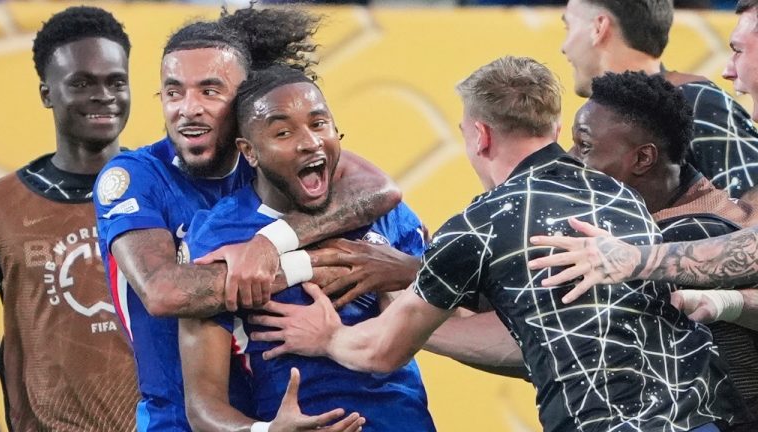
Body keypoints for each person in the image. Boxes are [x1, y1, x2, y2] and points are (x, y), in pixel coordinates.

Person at [247, 56, 738, 432]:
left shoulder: (479, 224)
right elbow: (543, 337)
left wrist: (329, 336)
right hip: (704, 418)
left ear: (480, 135)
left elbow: (380, 353)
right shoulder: (625, 196)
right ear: (553, 128)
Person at [94, 7, 400, 431]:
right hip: (178, 420)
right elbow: (165, 292)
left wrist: (268, 243)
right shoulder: (135, 176)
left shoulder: (272, 159)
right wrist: (301, 264)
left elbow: (380, 190)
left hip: (269, 413)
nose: (188, 109)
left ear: (245, 104)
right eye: (173, 92)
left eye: (209, 91)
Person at [179, 65, 433, 432]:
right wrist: (267, 431)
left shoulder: (382, 212)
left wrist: (405, 275)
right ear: (249, 152)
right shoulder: (219, 234)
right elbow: (202, 406)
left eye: (318, 124)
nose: (310, 142)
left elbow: (438, 319)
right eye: (283, 132)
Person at [569, 70, 758, 431]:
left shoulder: (692, 231)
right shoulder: (685, 215)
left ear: (643, 159)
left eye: (585, 146)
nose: (571, 159)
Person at [0, 6, 139, 431]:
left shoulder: (166, 187)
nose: (104, 95)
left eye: (116, 82)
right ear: (46, 94)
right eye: (81, 83)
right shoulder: (0, 207)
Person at [561, 0, 758, 198]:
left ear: (598, 27)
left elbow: (752, 210)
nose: (564, 47)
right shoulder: (599, 116)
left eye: (568, 27)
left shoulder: (696, 101)